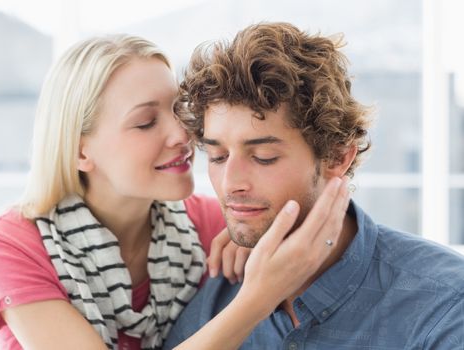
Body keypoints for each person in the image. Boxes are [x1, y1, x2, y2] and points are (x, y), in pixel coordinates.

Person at [0, 34, 350, 350]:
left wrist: (257, 230)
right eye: (146, 122)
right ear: (79, 150)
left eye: (178, 110)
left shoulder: (215, 224)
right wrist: (258, 296)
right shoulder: (9, 248)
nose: (183, 135)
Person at [164, 22, 464, 350]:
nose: (230, 183)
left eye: (263, 156)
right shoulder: (213, 309)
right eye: (218, 156)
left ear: (336, 157)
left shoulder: (445, 304)